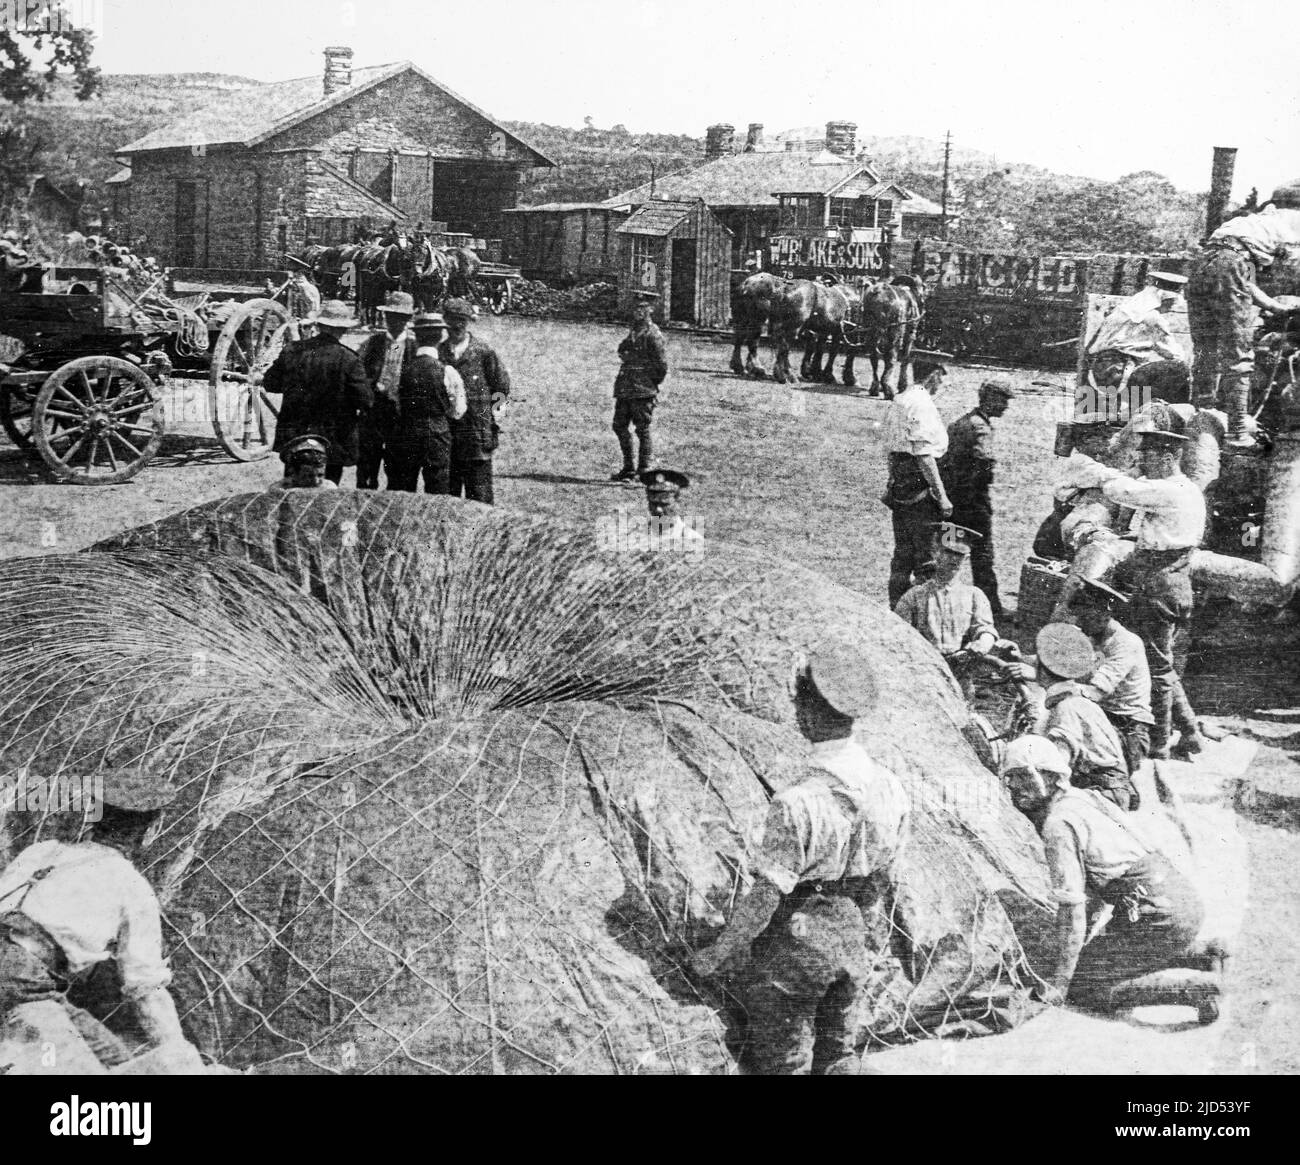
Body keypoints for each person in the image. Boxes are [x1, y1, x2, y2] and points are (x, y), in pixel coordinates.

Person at [691, 646, 909, 1075]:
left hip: (796, 945)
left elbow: (766, 896)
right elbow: (883, 879)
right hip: (851, 937)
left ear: (809, 710)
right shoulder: (891, 787)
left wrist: (719, 952)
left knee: (784, 1062)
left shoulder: (797, 801)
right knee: (839, 1054)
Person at [1002, 734, 1221, 1023]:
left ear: (1050, 776)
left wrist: (1060, 985)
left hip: (1156, 914)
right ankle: (1204, 952)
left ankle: (1192, 991)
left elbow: (1073, 911)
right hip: (1180, 901)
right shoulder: (1084, 798)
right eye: (1010, 778)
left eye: (1022, 776)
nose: (1015, 787)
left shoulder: (1058, 825)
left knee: (1083, 985)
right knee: (1101, 958)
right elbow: (1094, 893)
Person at [0, 771, 205, 1071]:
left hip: (31, 981)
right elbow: (146, 990)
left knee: (115, 1058)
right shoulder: (132, 887)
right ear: (151, 831)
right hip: (24, 985)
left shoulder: (42, 850)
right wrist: (180, 1057)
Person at [1068, 428, 1207, 760]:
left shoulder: (1171, 491)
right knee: (1162, 664)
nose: (1143, 462)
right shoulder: (1185, 490)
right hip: (1171, 581)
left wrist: (1093, 469)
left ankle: (1158, 742)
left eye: (1148, 457)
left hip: (1158, 584)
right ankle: (1190, 732)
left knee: (1156, 668)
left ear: (1169, 457)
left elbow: (1124, 490)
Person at [1186, 187, 1300, 446]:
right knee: (1239, 355)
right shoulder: (1293, 224)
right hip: (1230, 264)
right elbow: (1294, 271)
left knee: (1205, 350)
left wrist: (1273, 306)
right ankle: (1237, 432)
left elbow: (1244, 276)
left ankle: (1201, 421)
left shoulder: (1249, 224)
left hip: (1204, 262)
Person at [261, 299, 372, 485]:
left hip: (295, 435)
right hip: (333, 438)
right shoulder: (349, 359)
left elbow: (271, 383)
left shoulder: (292, 351)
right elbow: (365, 400)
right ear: (342, 329)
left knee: (293, 488)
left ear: (319, 326)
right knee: (326, 492)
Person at [1032, 622, 1137, 811]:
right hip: (1114, 789)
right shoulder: (1082, 701)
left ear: (1040, 669)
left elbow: (1057, 767)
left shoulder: (1066, 708)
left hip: (1103, 795)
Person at [881, 353, 954, 606]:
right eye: (942, 381)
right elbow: (924, 455)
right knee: (927, 558)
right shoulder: (921, 404)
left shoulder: (900, 399)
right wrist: (942, 496)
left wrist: (893, 480)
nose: (942, 387)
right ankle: (923, 615)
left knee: (902, 553)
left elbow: (890, 450)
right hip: (920, 489)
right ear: (934, 375)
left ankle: (897, 608)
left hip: (900, 484)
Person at [939, 377, 1016, 614]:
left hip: (952, 499)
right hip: (973, 504)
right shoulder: (980, 427)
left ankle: (940, 601)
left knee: (947, 550)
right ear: (990, 398)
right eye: (1003, 400)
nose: (1006, 406)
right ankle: (990, 608)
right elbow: (984, 462)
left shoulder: (963, 421)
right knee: (983, 556)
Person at [893, 522, 1002, 685]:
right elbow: (898, 633)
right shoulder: (915, 596)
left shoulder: (974, 596)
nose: (953, 559)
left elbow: (985, 628)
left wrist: (983, 642)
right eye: (948, 552)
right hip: (923, 672)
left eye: (959, 555)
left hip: (961, 673)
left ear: (966, 558)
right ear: (935, 552)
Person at [1066, 577, 1154, 779]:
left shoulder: (1126, 643)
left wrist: (1059, 687)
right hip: (1102, 717)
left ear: (1104, 614)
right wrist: (1023, 660)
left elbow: (1096, 692)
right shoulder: (1091, 635)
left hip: (1127, 728)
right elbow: (1057, 660)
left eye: (1084, 618)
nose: (1079, 624)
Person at [1081, 272, 1192, 412]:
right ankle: (1173, 414)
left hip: (1100, 370)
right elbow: (1175, 355)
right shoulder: (1152, 317)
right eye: (1171, 302)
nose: (1171, 307)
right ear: (1163, 298)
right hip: (1121, 373)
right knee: (1179, 369)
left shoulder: (1127, 308)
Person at [438, 298, 511, 504]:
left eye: (461, 320)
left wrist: (494, 418)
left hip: (477, 437)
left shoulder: (483, 352)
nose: (456, 326)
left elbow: (502, 387)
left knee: (480, 499)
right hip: (448, 436)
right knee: (447, 499)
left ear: (468, 322)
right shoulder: (439, 352)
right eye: (452, 320)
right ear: (445, 322)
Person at [388, 312, 468, 495]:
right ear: (441, 337)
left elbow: (395, 399)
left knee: (403, 488)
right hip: (437, 433)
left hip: (407, 432)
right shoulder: (447, 371)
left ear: (416, 336)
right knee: (438, 489)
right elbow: (459, 410)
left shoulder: (403, 370)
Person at [356, 290, 417, 490]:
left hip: (403, 414)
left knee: (399, 468)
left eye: (401, 318)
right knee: (367, 466)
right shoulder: (372, 343)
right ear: (385, 317)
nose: (395, 322)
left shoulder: (415, 346)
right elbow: (357, 374)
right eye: (391, 316)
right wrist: (372, 388)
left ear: (408, 318)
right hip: (374, 412)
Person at [610, 292, 669, 481]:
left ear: (651, 310)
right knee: (619, 426)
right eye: (636, 308)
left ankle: (644, 469)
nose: (639, 312)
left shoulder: (653, 334)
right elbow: (622, 348)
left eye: (643, 308)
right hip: (626, 387)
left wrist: (650, 384)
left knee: (642, 429)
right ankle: (628, 468)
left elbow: (661, 366)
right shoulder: (634, 331)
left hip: (643, 389)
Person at [628, 468, 703, 551]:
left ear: (678, 502)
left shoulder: (691, 540)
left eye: (664, 504)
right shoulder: (634, 538)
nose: (658, 510)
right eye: (653, 503)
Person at [267, 433, 338, 491]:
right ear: (293, 472)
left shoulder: (329, 488)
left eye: (320, 475)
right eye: (309, 476)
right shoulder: (279, 489)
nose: (316, 481)